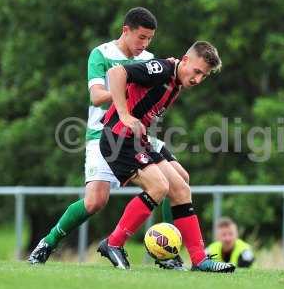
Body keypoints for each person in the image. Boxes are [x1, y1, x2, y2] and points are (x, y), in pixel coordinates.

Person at [28, 7, 187, 270]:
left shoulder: (149, 59)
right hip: (104, 134)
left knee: (179, 180)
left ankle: (167, 253)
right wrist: (126, 87)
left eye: (149, 39)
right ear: (126, 31)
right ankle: (48, 242)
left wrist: (175, 71)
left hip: (138, 135)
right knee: (95, 201)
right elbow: (97, 96)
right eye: (141, 37)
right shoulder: (101, 55)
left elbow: (162, 91)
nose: (145, 45)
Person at [96, 41, 235, 273]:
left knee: (181, 186)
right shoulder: (161, 69)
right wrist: (124, 114)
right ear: (186, 60)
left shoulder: (177, 80)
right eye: (197, 72)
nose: (198, 79)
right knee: (159, 186)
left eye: (205, 76)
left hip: (138, 141)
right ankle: (113, 243)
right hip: (118, 139)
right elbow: (116, 72)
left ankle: (200, 260)